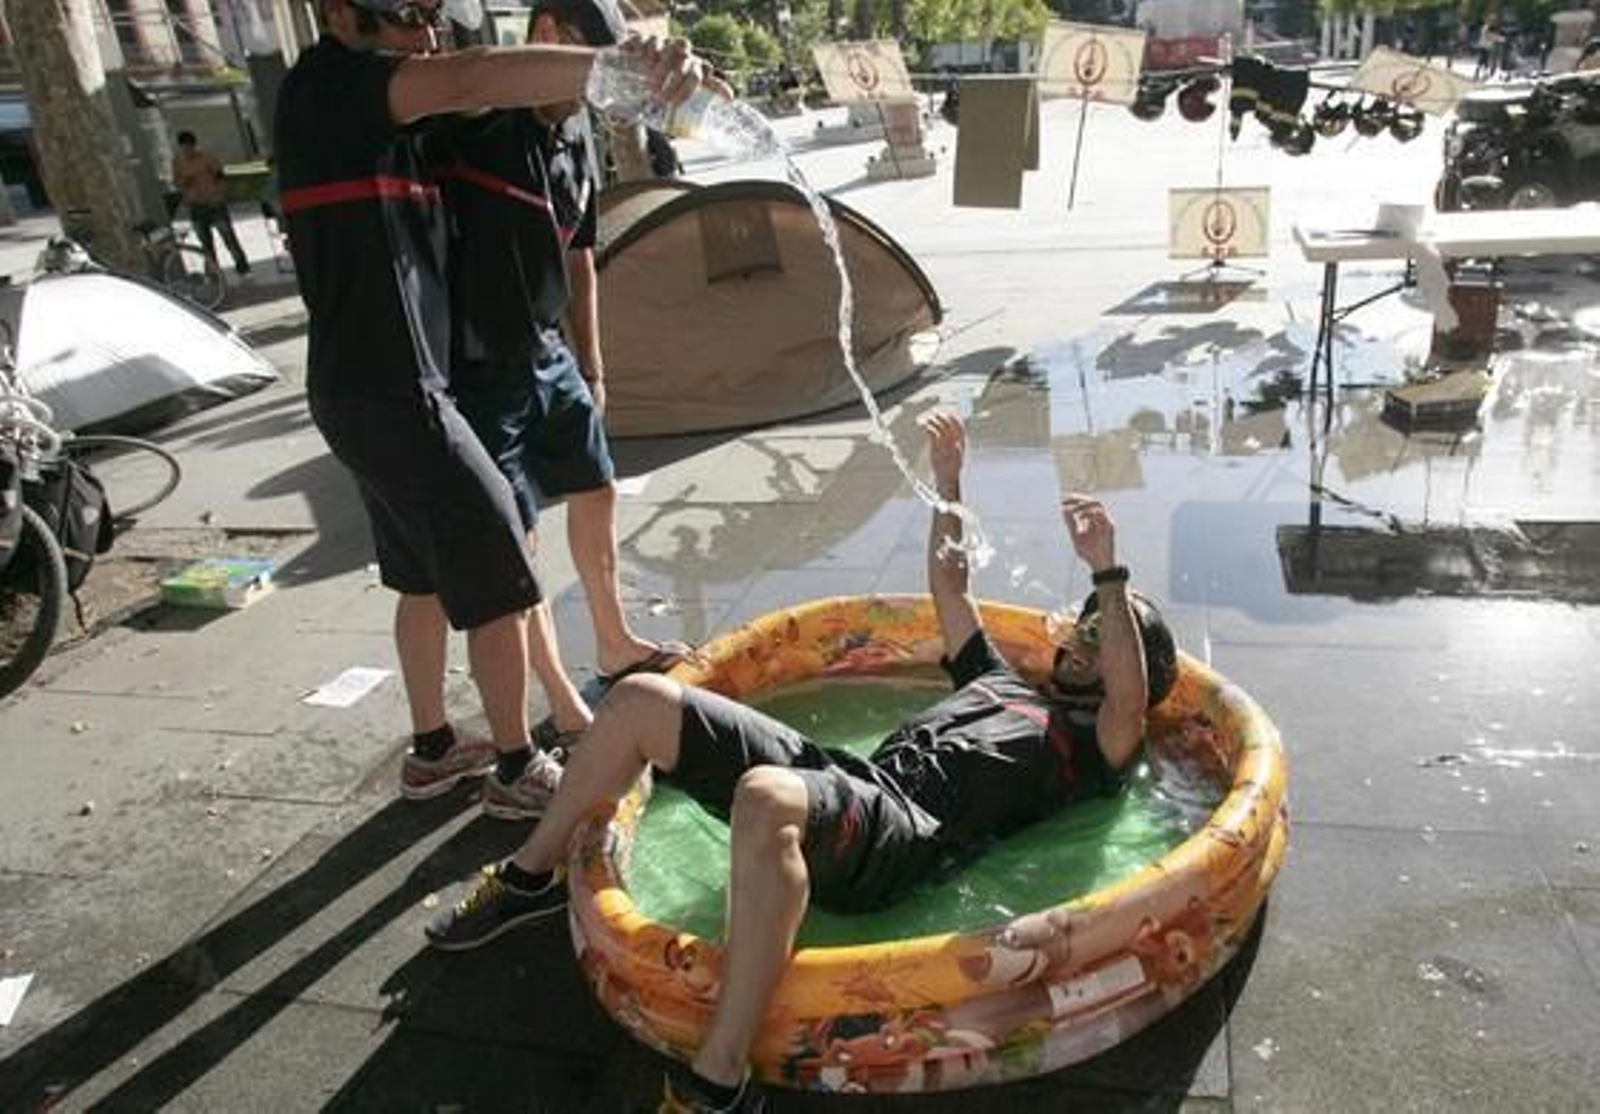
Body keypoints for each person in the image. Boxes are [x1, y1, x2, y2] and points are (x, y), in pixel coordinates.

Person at [425, 411, 1180, 1112]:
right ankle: (529, 877)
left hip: (906, 837)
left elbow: (1128, 699)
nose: (1084, 638)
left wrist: (1108, 577)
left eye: (1104, 635)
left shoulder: (1094, 746)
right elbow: (950, 586)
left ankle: (720, 1078)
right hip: (857, 784)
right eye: (1085, 626)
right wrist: (950, 482)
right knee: (641, 700)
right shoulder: (995, 677)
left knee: (764, 795)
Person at [274, 0, 717, 806]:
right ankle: (517, 770)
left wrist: (620, 70)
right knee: (506, 574)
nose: (429, 29)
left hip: (372, 390)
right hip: (398, 392)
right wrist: (619, 69)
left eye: (436, 11)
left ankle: (433, 749)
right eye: (406, 13)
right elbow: (474, 77)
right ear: (338, 14)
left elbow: (475, 87)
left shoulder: (378, 122)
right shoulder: (330, 88)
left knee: (423, 581)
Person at [171, 131, 251, 277]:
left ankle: (243, 268)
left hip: (214, 204)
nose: (186, 151)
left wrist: (220, 196)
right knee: (206, 244)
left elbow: (220, 176)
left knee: (229, 238)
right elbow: (176, 183)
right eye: (183, 148)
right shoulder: (178, 162)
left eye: (189, 147)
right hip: (196, 206)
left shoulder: (206, 158)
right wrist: (185, 183)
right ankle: (214, 274)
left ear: (193, 145)